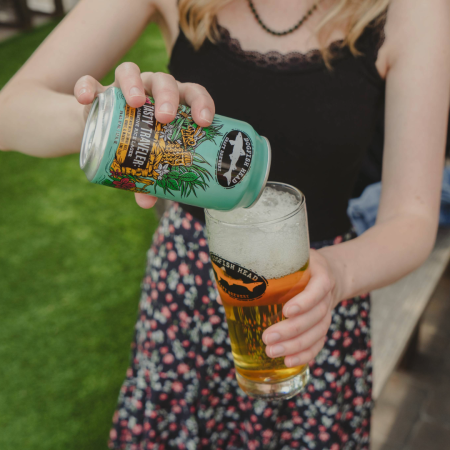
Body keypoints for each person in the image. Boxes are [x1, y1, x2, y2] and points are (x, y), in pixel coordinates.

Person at [0, 0, 449, 448]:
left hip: (308, 303)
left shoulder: (416, 11)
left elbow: (411, 219)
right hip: (185, 295)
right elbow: (11, 112)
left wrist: (337, 276)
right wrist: (110, 120)